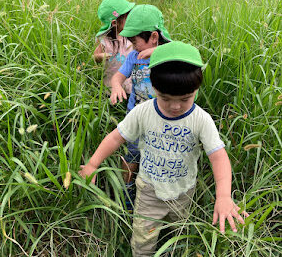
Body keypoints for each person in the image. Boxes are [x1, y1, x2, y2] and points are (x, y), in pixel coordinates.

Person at [79, 41, 249, 256]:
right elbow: (116, 137)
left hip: (183, 192)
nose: (175, 106)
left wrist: (223, 196)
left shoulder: (201, 120)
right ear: (153, 87)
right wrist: (93, 163)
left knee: (179, 235)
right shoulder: (143, 112)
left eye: (185, 98)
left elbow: (218, 156)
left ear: (196, 89)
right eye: (165, 98)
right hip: (149, 191)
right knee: (143, 240)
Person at [110, 4, 171, 208]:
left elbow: (188, 53)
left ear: (154, 37)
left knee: (158, 162)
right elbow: (117, 77)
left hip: (162, 124)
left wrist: (158, 51)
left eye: (135, 41)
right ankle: (127, 198)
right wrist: (116, 86)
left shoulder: (170, 54)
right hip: (135, 119)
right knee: (131, 156)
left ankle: (157, 201)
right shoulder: (133, 57)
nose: (132, 45)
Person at [93, 0, 135, 93]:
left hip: (128, 80)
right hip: (110, 81)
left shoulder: (130, 35)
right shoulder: (104, 40)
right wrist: (101, 56)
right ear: (114, 23)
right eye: (126, 18)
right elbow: (94, 56)